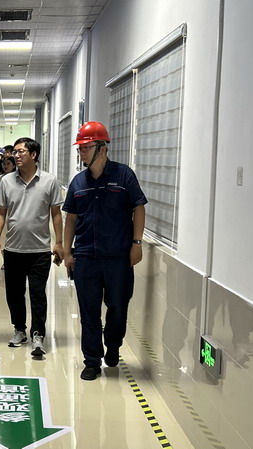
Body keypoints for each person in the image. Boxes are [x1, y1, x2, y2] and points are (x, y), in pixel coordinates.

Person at [62, 121, 148, 380]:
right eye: (80, 148)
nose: (81, 153)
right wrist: (67, 252)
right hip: (86, 257)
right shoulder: (78, 182)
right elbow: (71, 218)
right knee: (89, 312)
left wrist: (137, 243)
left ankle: (113, 344)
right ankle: (91, 361)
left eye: (86, 147)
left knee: (118, 307)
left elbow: (139, 207)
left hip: (118, 258)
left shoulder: (124, 176)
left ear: (102, 148)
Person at [0, 137, 64, 357]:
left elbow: (56, 214)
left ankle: (38, 334)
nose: (16, 155)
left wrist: (59, 242)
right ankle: (19, 330)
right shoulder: (6, 181)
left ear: (33, 155)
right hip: (13, 249)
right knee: (14, 294)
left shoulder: (49, 181)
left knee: (38, 294)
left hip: (39, 250)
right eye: (14, 152)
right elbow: (0, 212)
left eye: (21, 151)